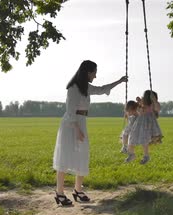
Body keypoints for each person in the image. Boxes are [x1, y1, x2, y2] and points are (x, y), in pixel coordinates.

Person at [53, 60, 127, 206]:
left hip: (81, 122)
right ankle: (59, 193)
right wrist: (77, 129)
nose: (95, 75)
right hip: (70, 125)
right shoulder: (73, 88)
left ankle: (77, 190)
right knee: (65, 157)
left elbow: (101, 89)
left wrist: (119, 81)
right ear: (88, 72)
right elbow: (70, 110)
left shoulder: (86, 87)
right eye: (94, 72)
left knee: (83, 154)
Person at [125, 90, 163, 164]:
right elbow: (140, 111)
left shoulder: (153, 105)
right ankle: (131, 154)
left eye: (144, 96)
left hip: (147, 126)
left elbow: (158, 108)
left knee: (144, 141)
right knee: (131, 138)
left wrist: (154, 101)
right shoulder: (141, 105)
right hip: (138, 125)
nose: (142, 97)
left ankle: (146, 156)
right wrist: (139, 103)